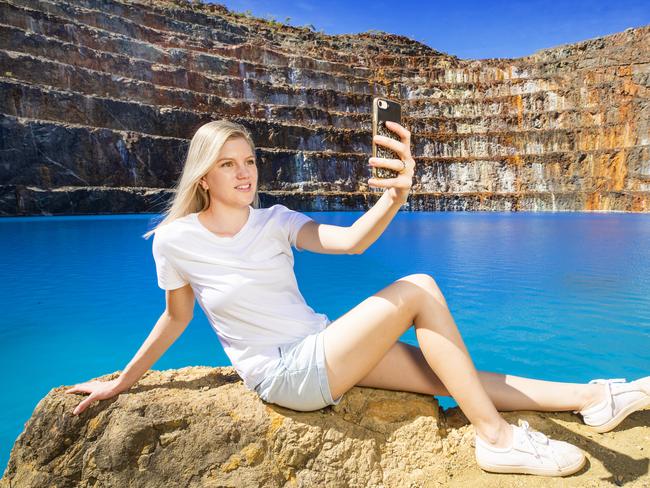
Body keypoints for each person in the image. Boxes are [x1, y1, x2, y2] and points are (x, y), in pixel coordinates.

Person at [66, 119, 650, 478]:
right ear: (204, 178)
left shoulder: (273, 220)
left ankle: (594, 398)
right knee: (419, 288)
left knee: (450, 374)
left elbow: (348, 242)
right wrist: (121, 383)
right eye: (228, 164)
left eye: (249, 162)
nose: (244, 174)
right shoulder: (174, 240)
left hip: (322, 345)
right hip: (283, 375)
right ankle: (495, 440)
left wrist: (395, 195)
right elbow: (175, 318)